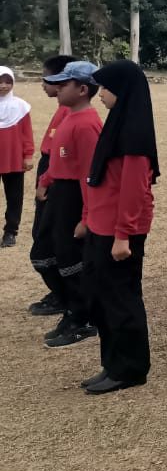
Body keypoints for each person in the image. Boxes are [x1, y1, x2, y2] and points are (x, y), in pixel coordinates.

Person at [78, 61, 158, 394]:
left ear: (122, 90)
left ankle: (130, 368)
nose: (101, 95)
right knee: (102, 298)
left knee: (121, 300)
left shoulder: (133, 133)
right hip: (101, 227)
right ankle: (112, 362)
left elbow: (133, 189)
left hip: (118, 233)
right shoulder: (116, 124)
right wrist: (88, 220)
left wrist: (123, 234)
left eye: (106, 89)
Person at [37, 60, 102, 349]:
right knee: (48, 253)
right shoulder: (68, 117)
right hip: (59, 191)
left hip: (74, 196)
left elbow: (88, 173)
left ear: (83, 89)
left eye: (64, 84)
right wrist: (47, 179)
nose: (57, 87)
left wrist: (87, 216)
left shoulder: (88, 124)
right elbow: (61, 159)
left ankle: (83, 318)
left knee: (70, 259)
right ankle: (73, 309)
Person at [28, 54, 73, 316]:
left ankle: (64, 293)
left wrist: (46, 180)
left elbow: (62, 155)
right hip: (49, 168)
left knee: (47, 237)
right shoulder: (62, 110)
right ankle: (60, 291)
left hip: (54, 175)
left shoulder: (70, 113)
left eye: (46, 78)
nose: (42, 84)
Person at [0, 65, 35, 248]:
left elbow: (26, 134)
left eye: (8, 82)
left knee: (14, 197)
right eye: (0, 82)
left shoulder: (20, 106)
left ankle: (10, 232)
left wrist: (28, 155)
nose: (4, 86)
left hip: (13, 158)